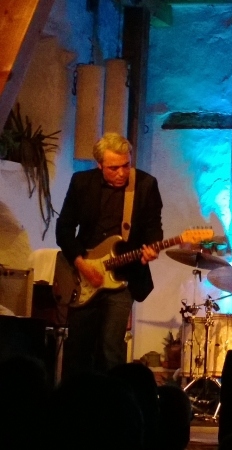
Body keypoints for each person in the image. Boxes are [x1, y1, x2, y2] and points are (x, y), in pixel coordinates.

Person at [56, 132, 163, 378]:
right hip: (84, 276)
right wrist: (81, 264)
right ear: (99, 165)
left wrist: (153, 247)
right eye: (114, 168)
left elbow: (153, 227)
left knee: (111, 349)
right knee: (78, 348)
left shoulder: (146, 185)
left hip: (123, 277)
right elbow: (64, 229)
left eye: (126, 165)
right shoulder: (82, 183)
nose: (122, 173)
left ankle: (113, 400)